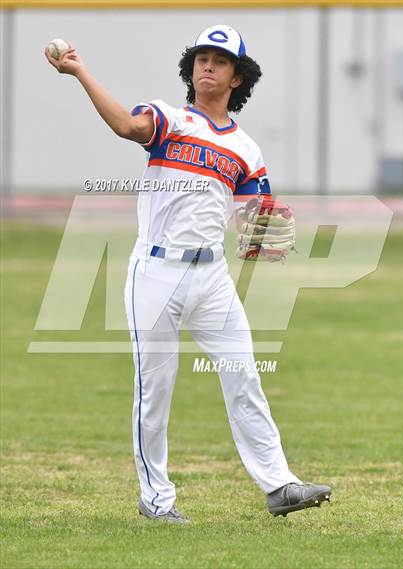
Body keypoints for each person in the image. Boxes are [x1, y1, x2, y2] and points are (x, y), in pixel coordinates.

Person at [45, 24, 331, 524]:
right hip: (155, 270)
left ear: (238, 77)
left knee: (245, 376)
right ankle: (156, 499)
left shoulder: (245, 148)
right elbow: (125, 127)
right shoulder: (169, 119)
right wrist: (81, 73)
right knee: (154, 391)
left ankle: (279, 484)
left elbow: (255, 220)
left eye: (219, 60)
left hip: (212, 277)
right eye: (201, 57)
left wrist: (266, 234)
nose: (207, 66)